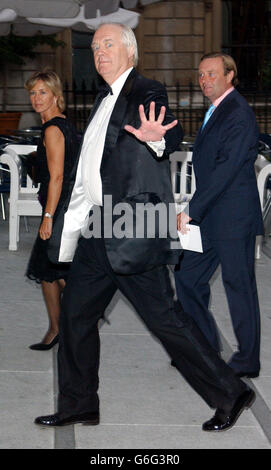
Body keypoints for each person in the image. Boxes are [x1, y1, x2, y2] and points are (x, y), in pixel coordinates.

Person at [35, 24, 255, 432]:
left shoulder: (145, 90)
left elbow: (166, 132)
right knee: (75, 315)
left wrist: (157, 140)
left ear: (130, 52)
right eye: (96, 46)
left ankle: (231, 391)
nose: (99, 52)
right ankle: (78, 403)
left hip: (133, 227)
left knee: (166, 321)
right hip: (99, 227)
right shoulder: (102, 99)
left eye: (109, 45)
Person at [174, 53, 264, 378]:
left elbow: (225, 170)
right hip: (210, 215)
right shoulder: (216, 109)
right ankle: (203, 345)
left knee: (238, 286)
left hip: (232, 217)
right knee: (187, 277)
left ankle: (247, 360)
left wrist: (190, 210)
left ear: (230, 75)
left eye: (211, 74)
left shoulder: (238, 113)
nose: (204, 80)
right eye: (200, 75)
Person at [25, 71, 79, 351]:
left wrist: (48, 217)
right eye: (33, 93)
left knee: (54, 269)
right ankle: (64, 327)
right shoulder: (63, 125)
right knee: (52, 269)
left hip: (60, 209)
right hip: (65, 207)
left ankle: (72, 324)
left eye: (43, 92)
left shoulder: (53, 129)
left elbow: (57, 177)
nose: (36, 98)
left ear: (56, 95)